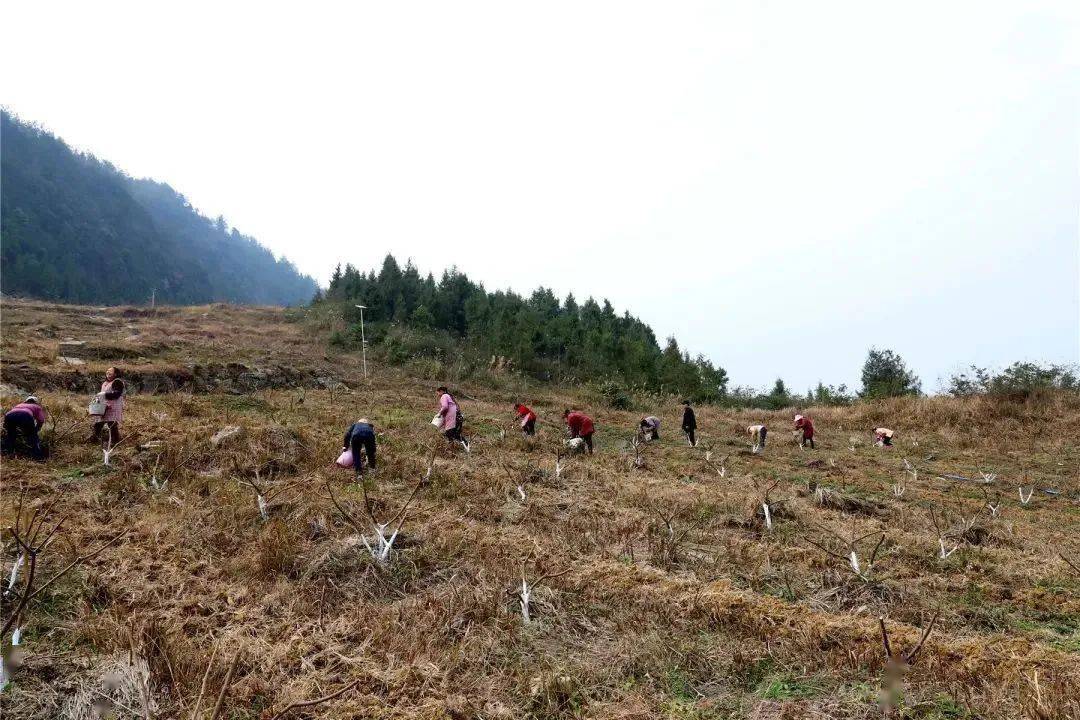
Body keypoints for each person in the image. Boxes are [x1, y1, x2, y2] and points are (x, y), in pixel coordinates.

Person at [2, 396, 46, 461]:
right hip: (25, 415)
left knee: (10, 436)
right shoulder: (37, 406)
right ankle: (38, 457)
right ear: (36, 402)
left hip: (9, 416)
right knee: (33, 437)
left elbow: (15, 415)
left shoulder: (19, 404)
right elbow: (41, 420)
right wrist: (36, 430)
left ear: (26, 401)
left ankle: (8, 453)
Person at [90, 366, 125, 445]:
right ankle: (95, 439)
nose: (108, 372)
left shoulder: (117, 382)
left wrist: (105, 394)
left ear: (115, 374)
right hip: (104, 407)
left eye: (110, 371)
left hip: (113, 407)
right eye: (107, 371)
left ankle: (115, 441)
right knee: (98, 423)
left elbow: (117, 394)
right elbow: (101, 395)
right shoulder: (105, 383)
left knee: (112, 424)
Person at [436, 386, 470, 451]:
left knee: (449, 433)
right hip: (458, 417)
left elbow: (445, 407)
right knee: (455, 434)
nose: (437, 394)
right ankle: (465, 447)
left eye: (438, 393)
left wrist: (439, 413)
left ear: (441, 391)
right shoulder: (450, 396)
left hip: (453, 418)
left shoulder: (444, 396)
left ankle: (451, 450)